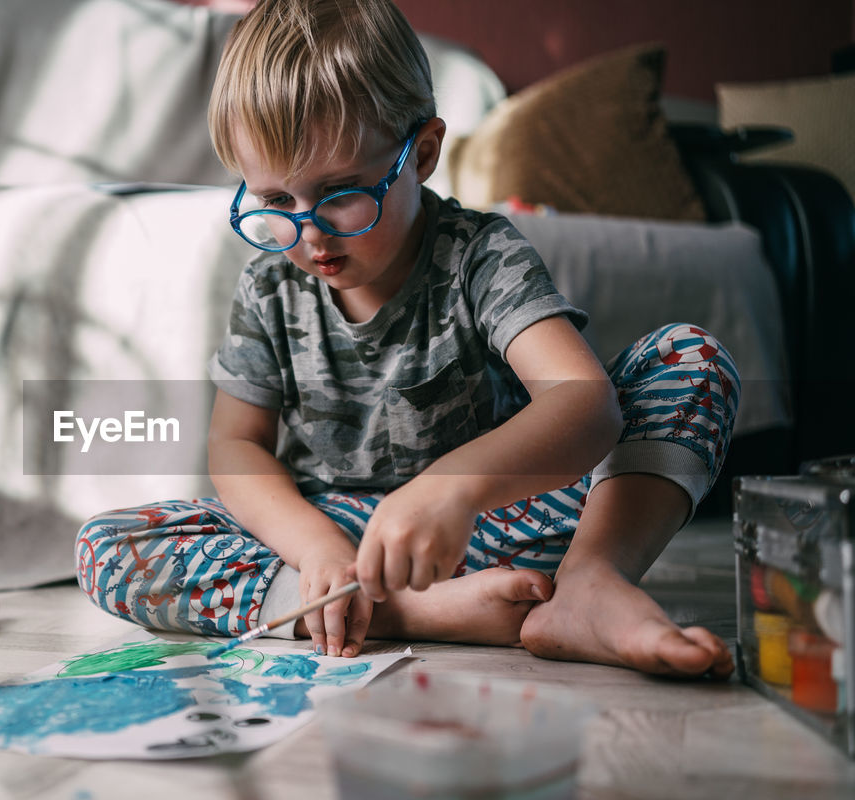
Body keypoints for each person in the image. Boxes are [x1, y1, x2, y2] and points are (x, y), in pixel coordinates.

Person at [75, 0, 739, 678]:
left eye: (339, 193)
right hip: (343, 540)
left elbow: (587, 407)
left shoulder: (480, 256)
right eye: (275, 202)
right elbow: (236, 445)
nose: (309, 235)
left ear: (421, 154)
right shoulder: (268, 288)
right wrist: (319, 551)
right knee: (108, 545)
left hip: (497, 520)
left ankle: (592, 582)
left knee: (688, 357)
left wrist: (450, 490)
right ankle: (403, 613)